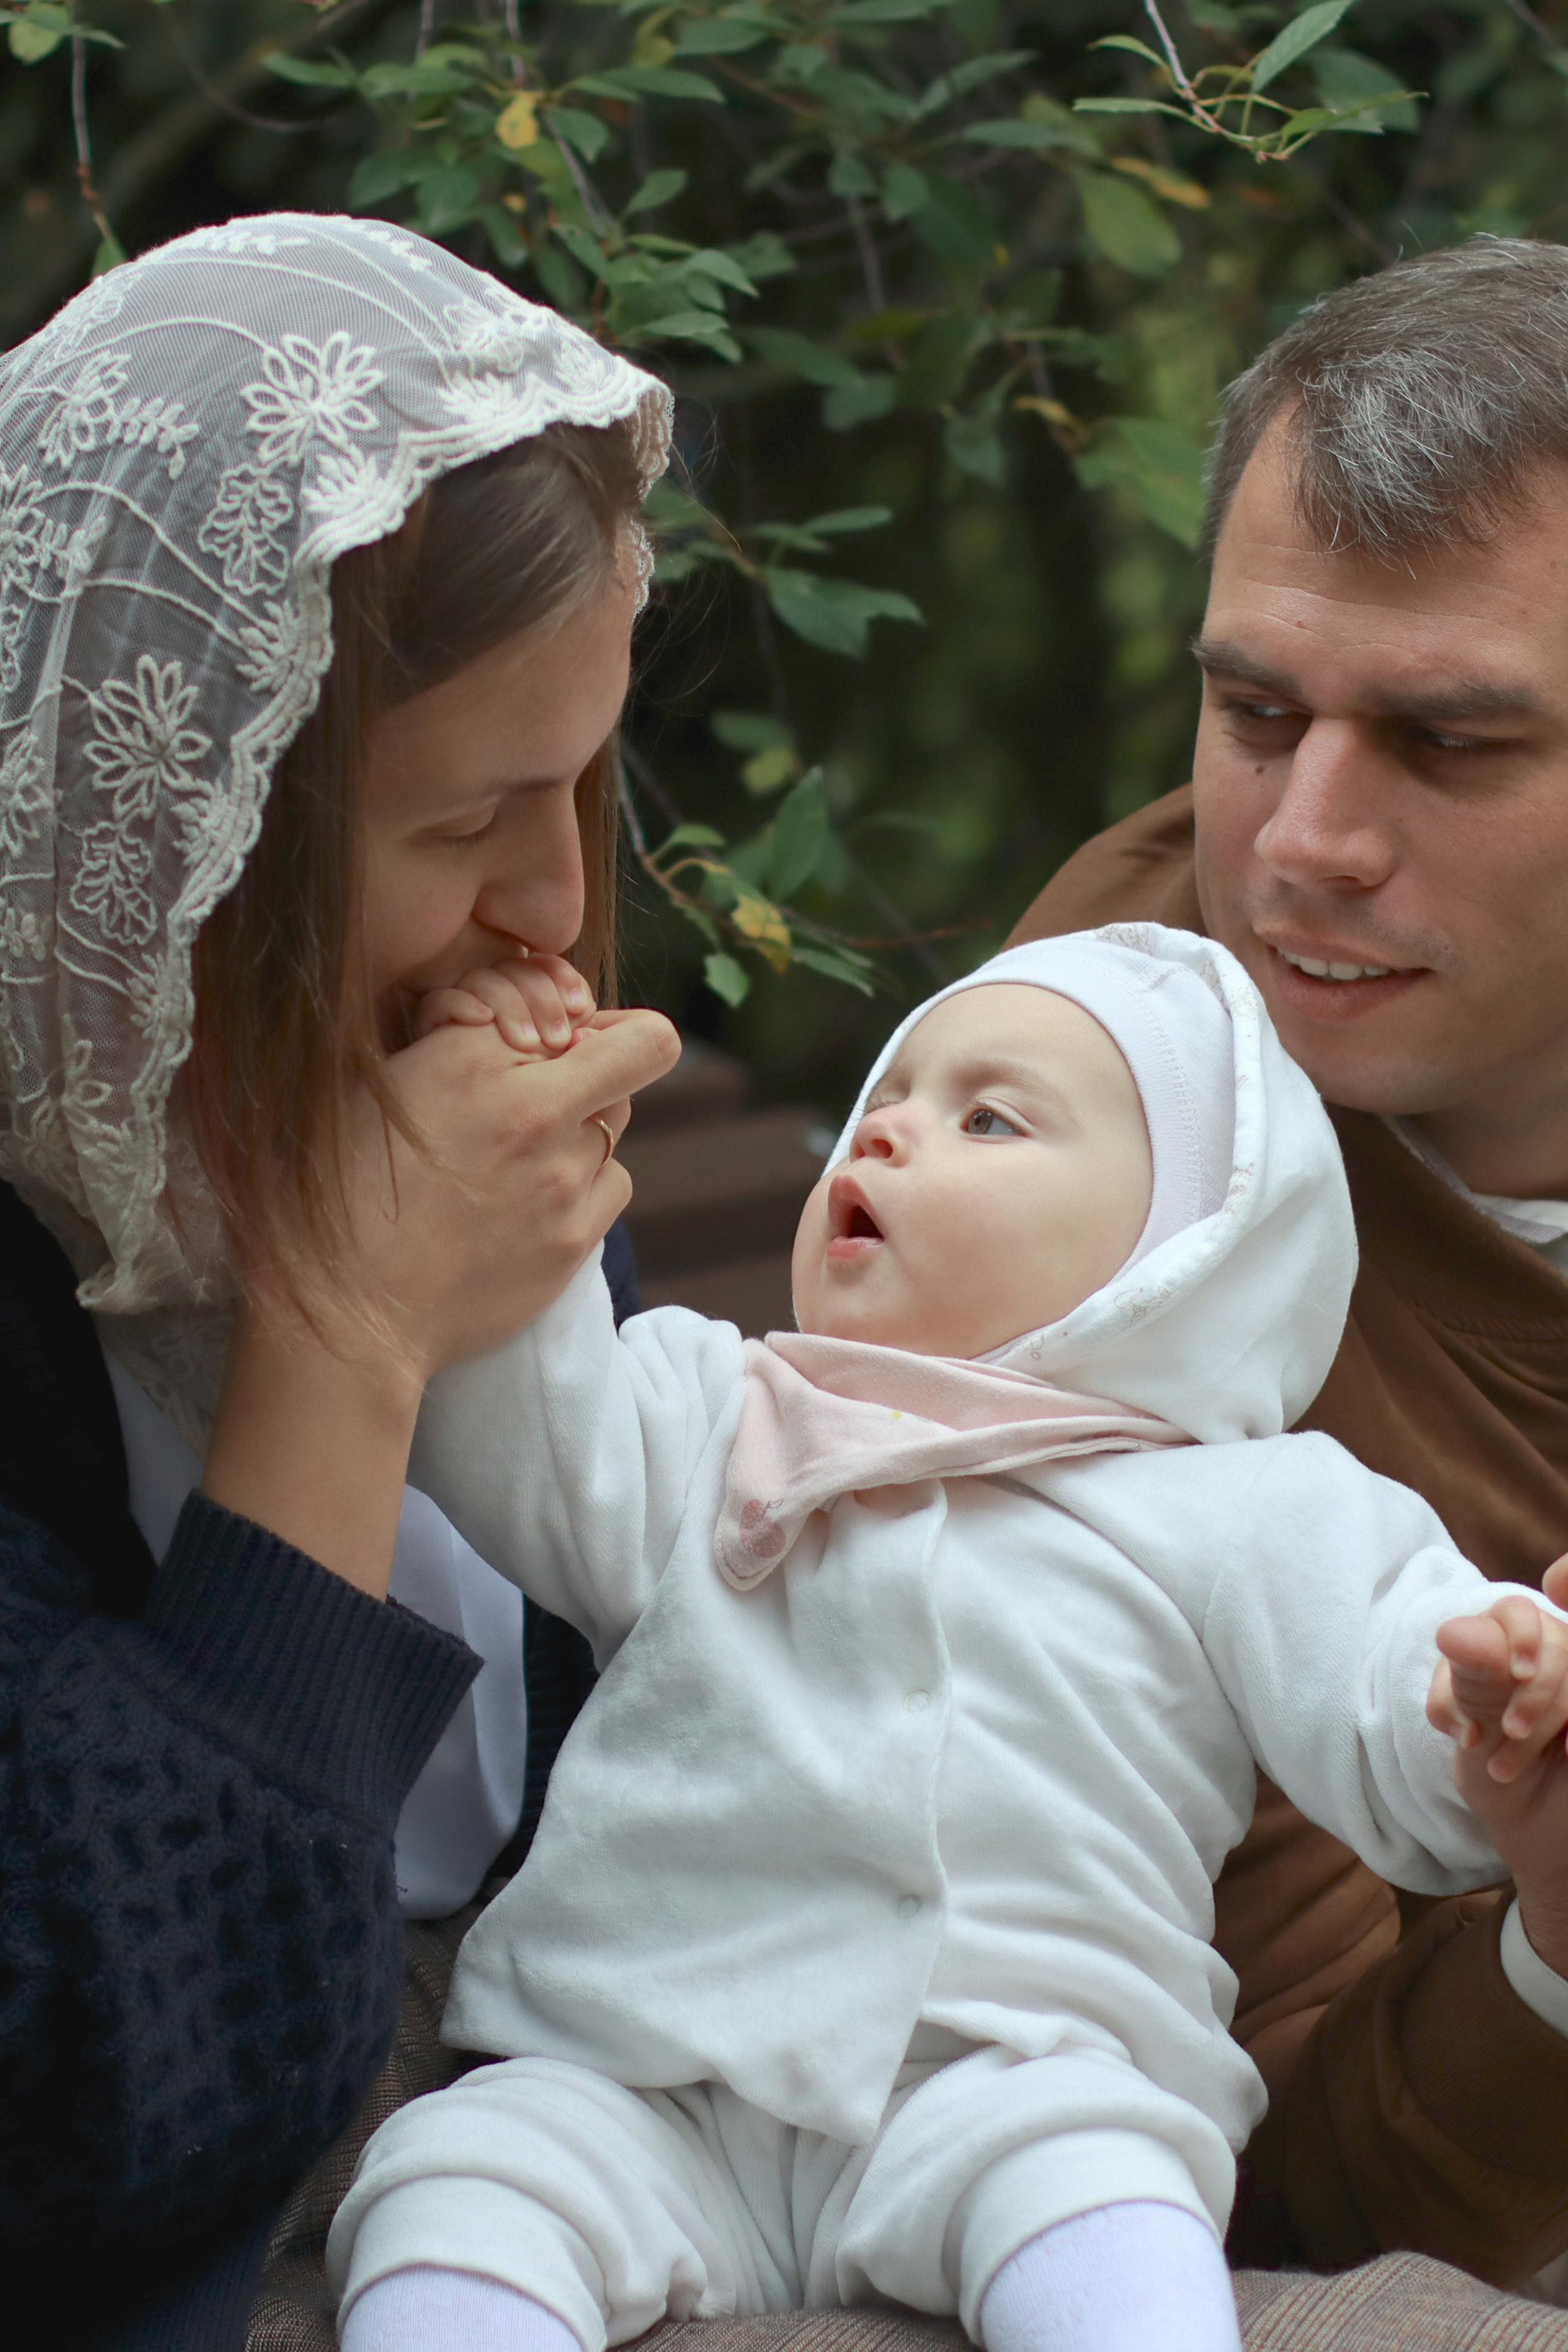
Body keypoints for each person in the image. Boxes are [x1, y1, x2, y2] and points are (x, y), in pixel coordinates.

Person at [325, 929, 1568, 2352]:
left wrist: (1495, 1690)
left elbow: (1377, 1662)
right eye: (881, 1103)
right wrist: (499, 1134)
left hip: (1008, 2078)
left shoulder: (1232, 1508)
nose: (894, 1133)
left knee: (1103, 2196)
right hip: (630, 2076)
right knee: (455, 2185)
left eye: (987, 1117)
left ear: (1185, 1257)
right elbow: (506, 1419)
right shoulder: (707, 1415)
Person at [0, 213, 677, 2349]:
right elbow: (94, 2109)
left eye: (585, 782)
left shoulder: (417, 1118)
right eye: (478, 808)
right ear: (188, 810)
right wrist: (355, 1345)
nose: (558, 901)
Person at [1005, 234, 1568, 2314]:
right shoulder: (1096, 1179)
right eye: (1255, 712)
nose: (1299, 844)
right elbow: (1264, 2178)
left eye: (1448, 744)